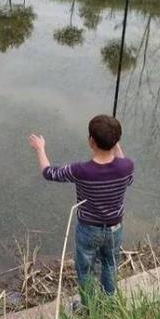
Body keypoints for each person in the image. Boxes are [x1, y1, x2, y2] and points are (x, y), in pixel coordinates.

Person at [28, 114, 134, 305]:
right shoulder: (126, 167)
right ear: (116, 141)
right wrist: (115, 143)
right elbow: (127, 174)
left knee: (85, 269)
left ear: (91, 141)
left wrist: (40, 149)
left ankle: (88, 305)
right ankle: (109, 300)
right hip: (114, 229)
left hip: (88, 230)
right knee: (110, 264)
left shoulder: (81, 170)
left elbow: (48, 172)